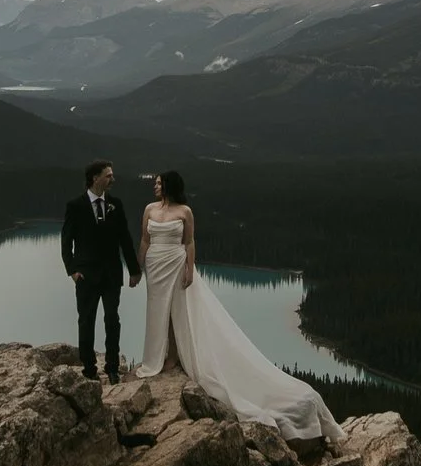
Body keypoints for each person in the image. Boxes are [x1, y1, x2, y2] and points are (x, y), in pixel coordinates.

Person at [135, 170, 344, 444]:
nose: (155, 185)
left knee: (180, 312)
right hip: (155, 265)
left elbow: (189, 242)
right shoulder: (149, 209)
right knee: (157, 310)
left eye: (159, 183)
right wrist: (139, 266)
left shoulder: (185, 211)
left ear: (169, 186)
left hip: (175, 264)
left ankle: (174, 356)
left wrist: (190, 269)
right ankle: (159, 357)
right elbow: (145, 240)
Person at [60, 158, 139, 382]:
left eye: (112, 175)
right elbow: (66, 242)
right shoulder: (75, 206)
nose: (113, 179)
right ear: (95, 178)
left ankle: (112, 369)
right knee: (86, 321)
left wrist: (134, 270)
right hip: (86, 276)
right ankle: (89, 369)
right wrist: (72, 271)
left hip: (112, 274)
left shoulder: (117, 204)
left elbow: (125, 238)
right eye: (108, 175)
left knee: (112, 320)